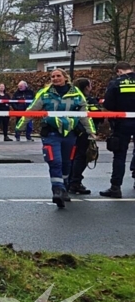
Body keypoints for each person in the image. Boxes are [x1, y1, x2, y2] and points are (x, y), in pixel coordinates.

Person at [20, 68, 94, 208]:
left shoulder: (77, 94)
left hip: (70, 134)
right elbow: (31, 110)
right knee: (55, 161)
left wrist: (91, 131)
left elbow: (85, 114)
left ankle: (64, 187)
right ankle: (57, 190)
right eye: (52, 76)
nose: (55, 78)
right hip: (51, 133)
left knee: (67, 164)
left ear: (65, 78)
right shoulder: (45, 93)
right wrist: (21, 126)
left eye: (58, 76)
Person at [100, 62, 135, 198]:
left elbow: (108, 104)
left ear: (119, 71)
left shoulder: (116, 83)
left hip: (122, 122)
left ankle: (116, 187)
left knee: (120, 155)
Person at [67, 77, 97, 195]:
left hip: (72, 130)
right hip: (85, 131)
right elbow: (97, 113)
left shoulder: (72, 98)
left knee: (72, 157)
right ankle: (75, 182)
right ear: (86, 87)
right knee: (82, 156)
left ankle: (70, 180)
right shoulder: (88, 99)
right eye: (90, 85)